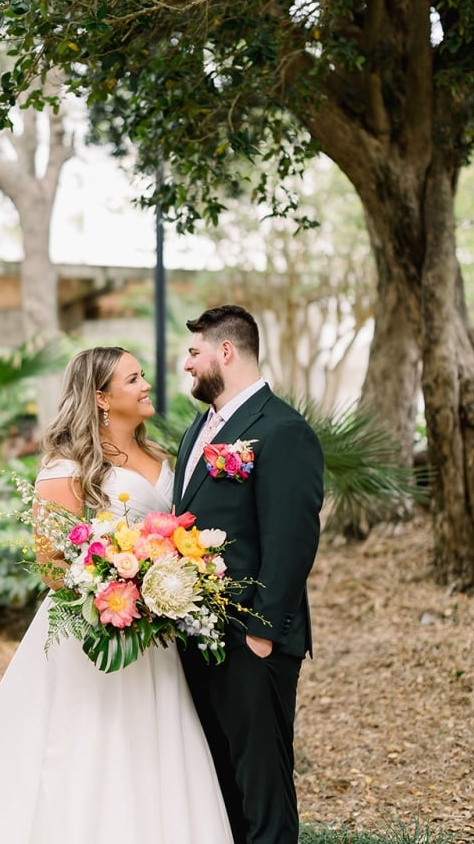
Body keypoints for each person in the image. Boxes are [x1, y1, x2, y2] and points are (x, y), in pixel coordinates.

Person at [0, 346, 233, 844]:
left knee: (154, 744)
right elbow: (52, 565)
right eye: (133, 379)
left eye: (142, 376)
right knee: (89, 749)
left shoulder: (162, 455)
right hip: (95, 629)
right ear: (100, 397)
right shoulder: (66, 467)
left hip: (157, 633)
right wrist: (121, 584)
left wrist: (170, 580)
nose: (145, 385)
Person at [173, 305, 324, 844]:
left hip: (250, 643)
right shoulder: (198, 430)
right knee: (222, 789)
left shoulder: (283, 430)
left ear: (226, 352)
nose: (186, 364)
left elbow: (292, 540)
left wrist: (261, 633)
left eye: (194, 352)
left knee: (264, 794)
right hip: (199, 638)